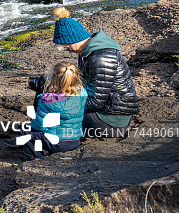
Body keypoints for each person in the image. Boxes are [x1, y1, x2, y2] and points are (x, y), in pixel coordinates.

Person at [51, 7, 139, 138]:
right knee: (51, 101)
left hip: (111, 122)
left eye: (67, 47)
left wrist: (64, 105)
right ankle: (36, 134)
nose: (68, 51)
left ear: (75, 38)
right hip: (107, 113)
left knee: (53, 109)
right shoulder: (87, 53)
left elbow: (96, 101)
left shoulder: (100, 57)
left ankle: (36, 138)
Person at [4, 62, 87, 158]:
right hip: (75, 140)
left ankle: (35, 153)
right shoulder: (82, 93)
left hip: (56, 144)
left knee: (22, 131)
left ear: (53, 80)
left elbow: (39, 126)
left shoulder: (49, 101)